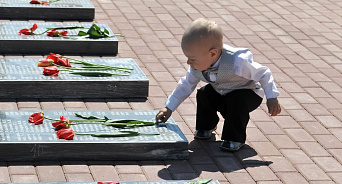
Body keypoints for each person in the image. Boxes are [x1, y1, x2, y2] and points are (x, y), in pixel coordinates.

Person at [155, 18, 281, 152]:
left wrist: (272, 97)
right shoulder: (197, 66)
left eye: (192, 59)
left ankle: (234, 138)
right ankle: (205, 127)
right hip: (222, 92)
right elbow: (185, 85)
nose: (188, 63)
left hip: (248, 93)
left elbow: (263, 73)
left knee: (236, 100)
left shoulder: (237, 61)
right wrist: (169, 107)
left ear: (213, 53)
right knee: (204, 93)